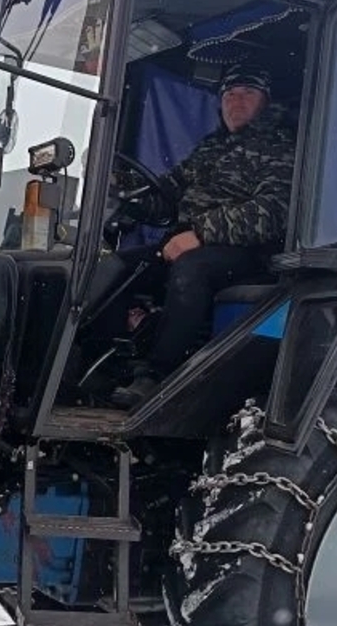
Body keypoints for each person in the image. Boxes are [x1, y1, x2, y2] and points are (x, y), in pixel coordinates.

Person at [109, 62, 297, 408]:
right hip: (192, 243)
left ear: (266, 102)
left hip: (249, 254)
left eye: (247, 94)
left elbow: (272, 212)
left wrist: (201, 233)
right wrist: (126, 193)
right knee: (114, 267)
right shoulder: (211, 147)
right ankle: (106, 366)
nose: (236, 102)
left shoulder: (280, 147)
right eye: (229, 94)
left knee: (190, 271)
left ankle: (159, 376)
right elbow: (166, 192)